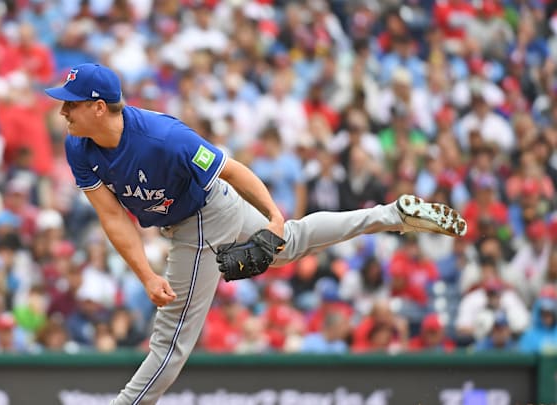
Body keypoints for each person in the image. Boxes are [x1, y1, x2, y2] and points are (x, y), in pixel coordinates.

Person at [44, 63, 467, 405]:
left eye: (71, 104)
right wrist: (146, 275)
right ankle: (391, 214)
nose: (63, 111)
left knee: (170, 342)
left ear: (99, 107)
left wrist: (272, 215)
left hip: (204, 214)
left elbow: (231, 168)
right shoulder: (77, 145)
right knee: (292, 245)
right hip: (189, 218)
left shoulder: (164, 137)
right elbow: (112, 216)